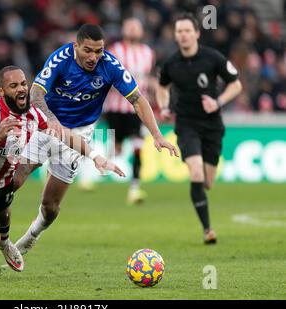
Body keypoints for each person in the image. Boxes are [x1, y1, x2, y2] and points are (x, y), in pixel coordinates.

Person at [13, 24, 178, 255]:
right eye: (88, 50)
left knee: (50, 207)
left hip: (79, 132)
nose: (94, 57)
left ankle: (32, 236)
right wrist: (50, 119)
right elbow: (36, 93)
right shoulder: (60, 59)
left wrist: (157, 135)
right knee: (15, 180)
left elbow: (138, 100)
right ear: (76, 46)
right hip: (45, 122)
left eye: (99, 51)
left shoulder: (110, 66)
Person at [0, 66, 124, 272]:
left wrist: (96, 157)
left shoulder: (33, 114)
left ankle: (7, 246)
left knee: (3, 215)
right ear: (1, 92)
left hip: (2, 182)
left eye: (23, 84)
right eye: (13, 86)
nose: (21, 89)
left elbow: (64, 134)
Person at [156, 13, 243, 244]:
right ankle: (207, 230)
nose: (183, 35)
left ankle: (203, 200)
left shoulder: (213, 58)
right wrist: (164, 107)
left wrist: (218, 102)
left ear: (196, 33)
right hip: (186, 124)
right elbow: (162, 87)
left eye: (187, 31)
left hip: (213, 125)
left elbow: (236, 84)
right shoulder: (171, 63)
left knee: (207, 182)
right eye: (179, 31)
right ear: (175, 36)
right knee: (195, 172)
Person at [103, 17, 156, 204]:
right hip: (115, 108)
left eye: (136, 27)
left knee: (137, 145)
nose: (133, 30)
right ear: (124, 30)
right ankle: (89, 174)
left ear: (141, 31)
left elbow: (148, 79)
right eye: (130, 26)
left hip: (137, 109)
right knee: (115, 147)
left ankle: (135, 187)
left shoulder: (148, 52)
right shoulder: (115, 50)